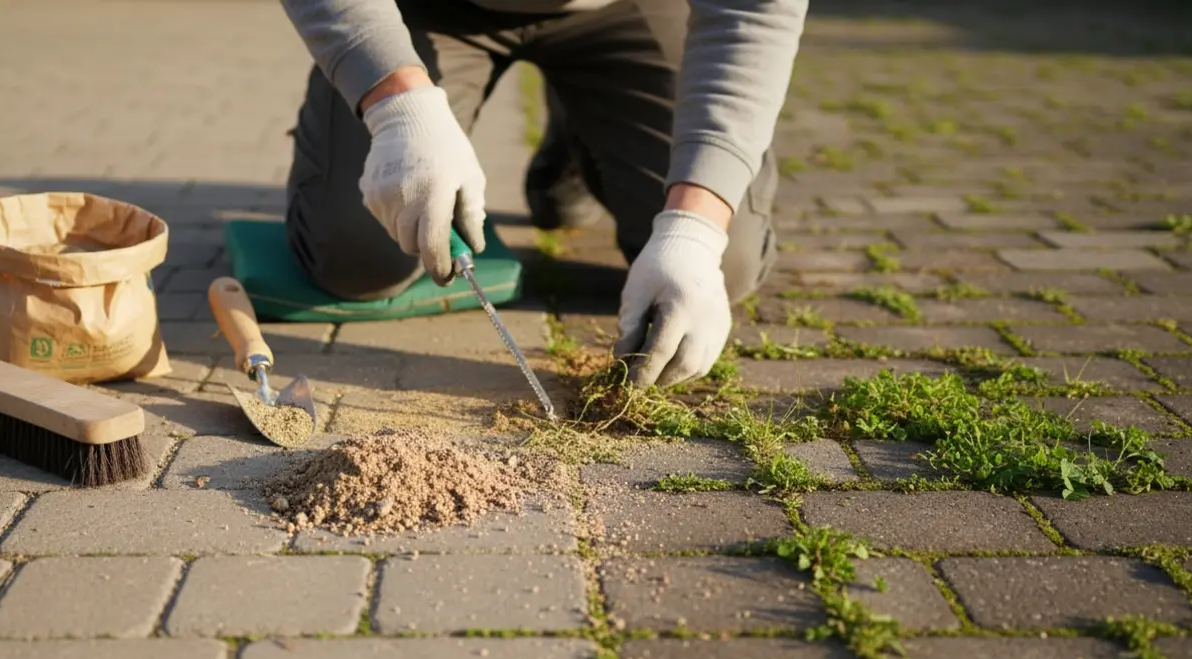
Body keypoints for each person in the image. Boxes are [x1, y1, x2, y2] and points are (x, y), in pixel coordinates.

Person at [278, 0, 808, 388]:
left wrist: (695, 227)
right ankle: (366, 109)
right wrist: (396, 106)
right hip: (422, 12)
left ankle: (580, 136)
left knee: (728, 261)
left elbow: (755, 13)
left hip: (628, 8)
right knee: (357, 254)